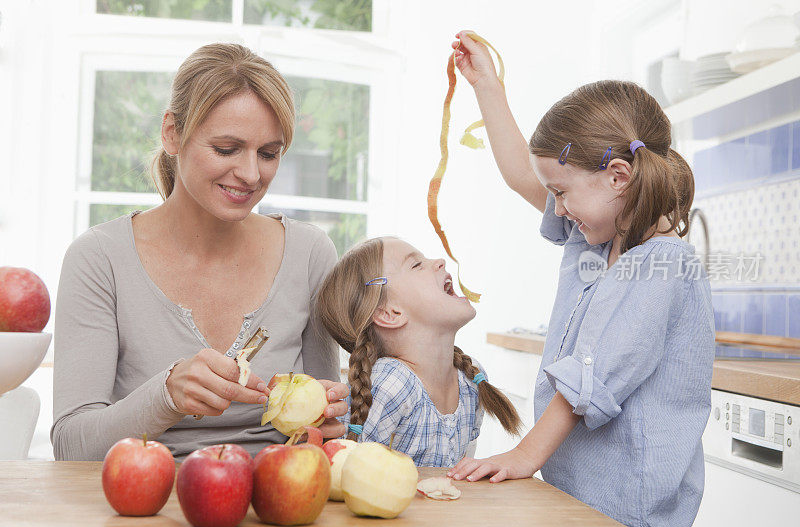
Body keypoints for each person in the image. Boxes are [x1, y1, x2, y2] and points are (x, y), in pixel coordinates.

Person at [446, 32, 715, 527]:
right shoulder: (595, 238)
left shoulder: (663, 265)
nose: (558, 208)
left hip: (629, 514)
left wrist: (523, 455)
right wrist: (488, 87)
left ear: (617, 176)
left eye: (562, 193)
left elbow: (586, 379)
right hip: (580, 500)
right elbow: (521, 174)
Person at [51, 43, 349, 461]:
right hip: (143, 507)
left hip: (278, 506)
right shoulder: (99, 260)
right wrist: (167, 395)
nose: (250, 174)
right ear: (172, 132)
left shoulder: (310, 253)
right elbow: (71, 446)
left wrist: (329, 417)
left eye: (269, 153)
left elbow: (324, 436)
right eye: (226, 149)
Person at [316, 236, 521, 467]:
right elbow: (348, 475)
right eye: (416, 265)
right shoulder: (392, 384)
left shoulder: (470, 379)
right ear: (390, 313)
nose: (440, 261)